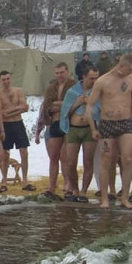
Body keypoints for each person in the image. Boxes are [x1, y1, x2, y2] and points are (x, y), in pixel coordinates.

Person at [85, 53, 132, 209]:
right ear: (121, 66)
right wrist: (93, 128)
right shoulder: (103, 81)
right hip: (107, 123)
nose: (130, 73)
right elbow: (89, 106)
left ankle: (125, 197)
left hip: (126, 122)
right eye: (129, 70)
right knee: (106, 159)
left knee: (128, 159)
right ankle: (105, 198)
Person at [60, 65, 100, 202]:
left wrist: (92, 105)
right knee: (70, 162)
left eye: (96, 78)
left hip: (89, 128)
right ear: (84, 77)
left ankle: (83, 191)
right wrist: (77, 104)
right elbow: (65, 112)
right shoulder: (72, 92)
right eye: (92, 78)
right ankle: (75, 189)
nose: (94, 81)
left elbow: (102, 110)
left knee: (88, 162)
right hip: (74, 128)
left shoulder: (97, 92)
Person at [41, 62, 77, 199]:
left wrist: (61, 105)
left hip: (69, 123)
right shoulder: (51, 87)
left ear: (67, 72)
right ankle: (52, 186)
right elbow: (47, 106)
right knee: (53, 157)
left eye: (61, 72)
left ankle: (69, 185)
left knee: (67, 158)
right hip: (55, 123)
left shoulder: (74, 85)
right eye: (57, 73)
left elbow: (74, 103)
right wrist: (63, 105)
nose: (59, 75)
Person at [0, 71, 33, 191]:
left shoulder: (18, 91)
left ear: (10, 79)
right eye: (3, 79)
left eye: (8, 79)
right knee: (5, 154)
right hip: (5, 126)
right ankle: (4, 181)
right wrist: (17, 109)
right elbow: (1, 113)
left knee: (24, 152)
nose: (6, 81)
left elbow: (25, 107)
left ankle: (25, 180)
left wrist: (10, 111)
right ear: (0, 81)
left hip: (18, 123)